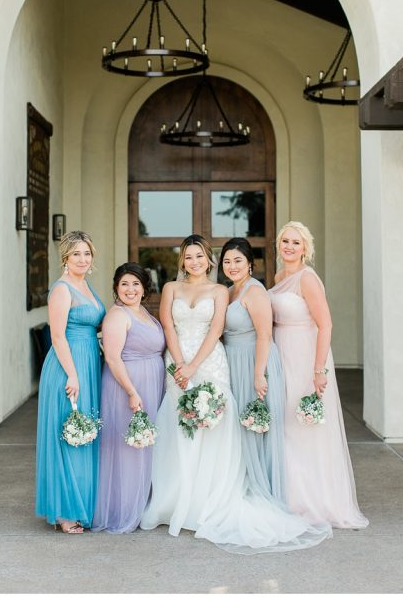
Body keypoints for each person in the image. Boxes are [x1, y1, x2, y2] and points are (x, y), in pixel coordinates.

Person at [140, 234, 330, 552]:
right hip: (179, 362)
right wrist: (179, 365)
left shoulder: (221, 292)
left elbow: (219, 329)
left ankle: (207, 498)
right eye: (188, 256)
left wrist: (199, 365)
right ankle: (175, 499)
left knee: (216, 427)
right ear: (182, 260)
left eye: (201, 256)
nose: (195, 262)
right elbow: (168, 325)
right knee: (178, 426)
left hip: (212, 360)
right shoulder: (184, 289)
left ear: (208, 260)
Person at [269, 222, 368, 528]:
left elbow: (325, 324)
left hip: (305, 354)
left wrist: (318, 369)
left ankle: (315, 501)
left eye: (295, 243)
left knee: (304, 427)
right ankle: (291, 496)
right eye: (285, 241)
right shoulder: (279, 276)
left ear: (305, 248)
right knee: (286, 425)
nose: (289, 246)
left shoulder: (307, 278)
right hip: (282, 353)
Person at [35, 231, 106, 533]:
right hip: (68, 366)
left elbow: (94, 325)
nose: (83, 259)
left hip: (89, 359)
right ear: (65, 257)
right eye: (76, 253)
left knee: (85, 432)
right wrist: (73, 374)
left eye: (87, 253)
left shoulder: (85, 285)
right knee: (70, 433)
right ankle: (65, 512)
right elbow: (57, 335)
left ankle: (82, 504)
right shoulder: (62, 289)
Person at [92, 263, 165, 533]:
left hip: (151, 382)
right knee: (127, 448)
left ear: (145, 288)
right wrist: (132, 392)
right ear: (116, 288)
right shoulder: (117, 315)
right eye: (124, 284)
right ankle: (122, 508)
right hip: (126, 386)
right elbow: (112, 358)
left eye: (136, 284)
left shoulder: (143, 312)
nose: (130, 289)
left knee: (145, 445)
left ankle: (143, 502)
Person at [222, 237, 286, 500]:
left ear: (250, 264)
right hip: (233, 361)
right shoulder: (228, 291)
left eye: (238, 260)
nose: (232, 266)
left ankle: (262, 488)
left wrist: (259, 374)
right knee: (238, 427)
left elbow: (264, 335)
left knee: (254, 425)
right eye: (227, 261)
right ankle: (242, 483)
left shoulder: (255, 291)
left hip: (253, 360)